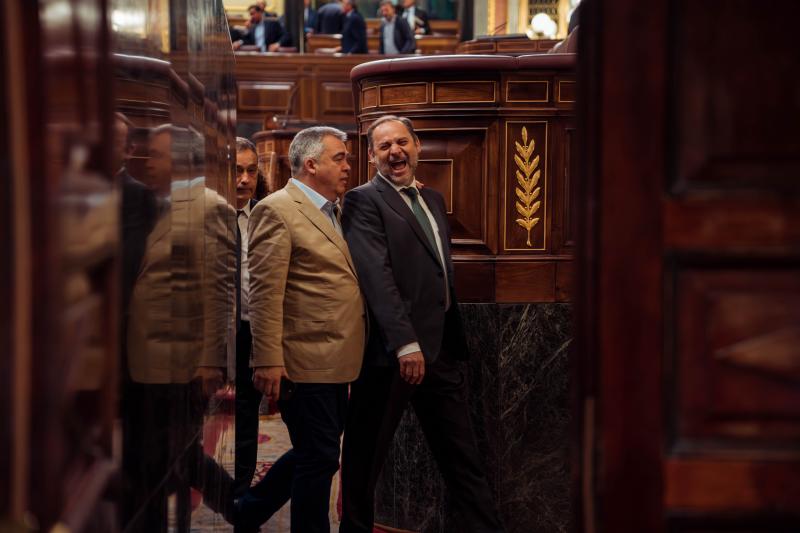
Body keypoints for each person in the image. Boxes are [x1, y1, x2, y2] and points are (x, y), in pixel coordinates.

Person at [339, 116, 505, 533]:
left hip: (441, 350)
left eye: (401, 142)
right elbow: (377, 278)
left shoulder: (432, 198)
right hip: (392, 356)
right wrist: (405, 343)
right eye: (384, 147)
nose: (394, 152)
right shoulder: (363, 201)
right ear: (372, 156)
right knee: (364, 462)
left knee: (463, 457)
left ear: (417, 146)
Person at [237, 126, 366, 532]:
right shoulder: (277, 209)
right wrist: (267, 360)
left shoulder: (335, 208)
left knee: (316, 453)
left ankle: (246, 511)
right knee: (319, 457)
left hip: (336, 359)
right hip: (304, 359)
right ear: (311, 164)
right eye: (339, 158)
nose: (347, 166)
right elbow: (264, 293)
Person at [232, 138, 261, 502]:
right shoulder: (206, 214)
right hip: (219, 334)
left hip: (258, 330)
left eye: (251, 171)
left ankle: (242, 497)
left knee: (247, 411)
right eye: (237, 171)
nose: (244, 179)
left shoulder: (266, 213)